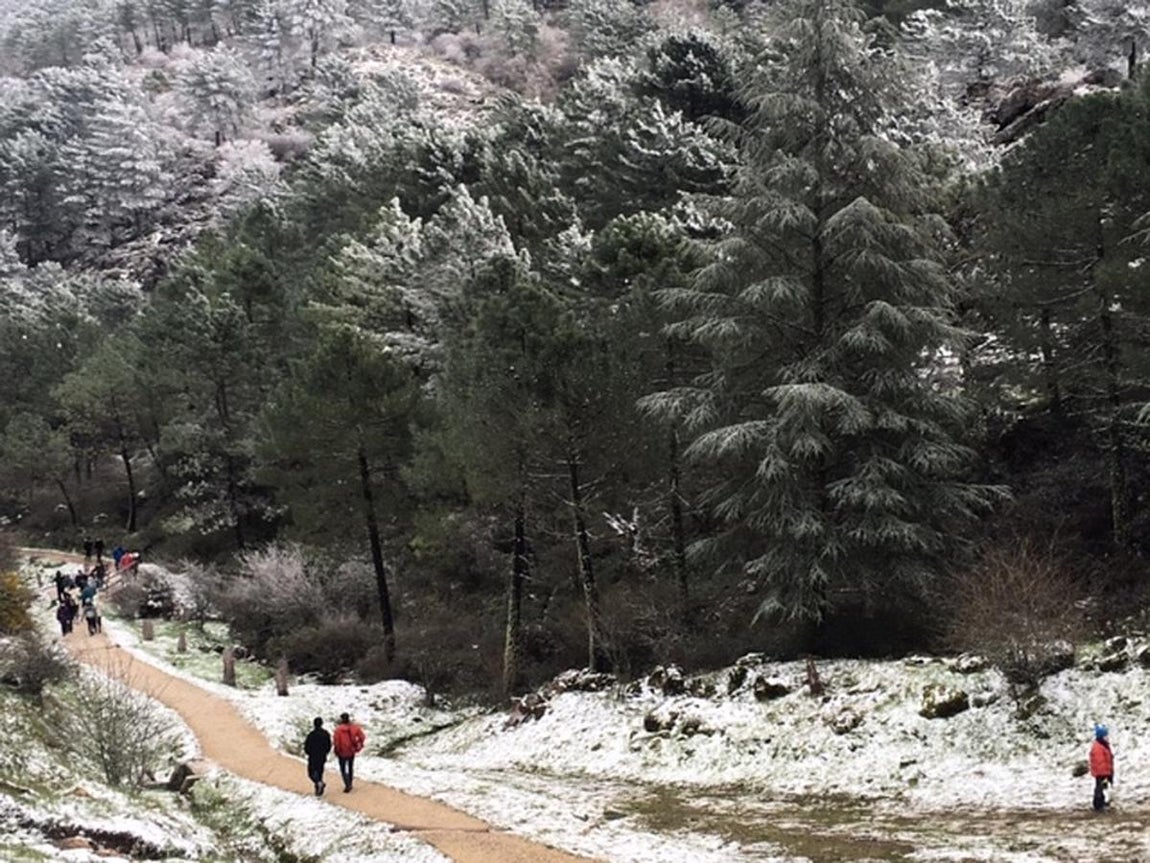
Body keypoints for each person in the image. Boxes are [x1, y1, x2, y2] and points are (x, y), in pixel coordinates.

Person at [332, 713, 366, 792]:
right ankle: (350, 781)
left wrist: (336, 750)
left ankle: (347, 783)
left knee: (343, 768)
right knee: (350, 767)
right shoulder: (354, 727)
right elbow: (362, 737)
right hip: (351, 750)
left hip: (342, 752)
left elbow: (336, 742)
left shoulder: (338, 730)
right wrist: (358, 744)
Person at [304, 717, 332, 796]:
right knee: (320, 772)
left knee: (311, 772)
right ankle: (319, 786)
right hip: (322, 756)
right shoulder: (325, 734)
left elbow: (307, 746)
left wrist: (308, 752)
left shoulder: (311, 734)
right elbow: (328, 745)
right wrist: (325, 752)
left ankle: (318, 784)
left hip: (313, 756)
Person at [1090, 723, 1114, 811]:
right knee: (1100, 789)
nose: (1107, 737)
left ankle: (1102, 802)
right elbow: (1099, 762)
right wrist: (1105, 773)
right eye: (1105, 735)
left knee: (1104, 788)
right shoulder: (1098, 747)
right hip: (1101, 773)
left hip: (1106, 771)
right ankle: (1098, 804)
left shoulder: (1104, 745)